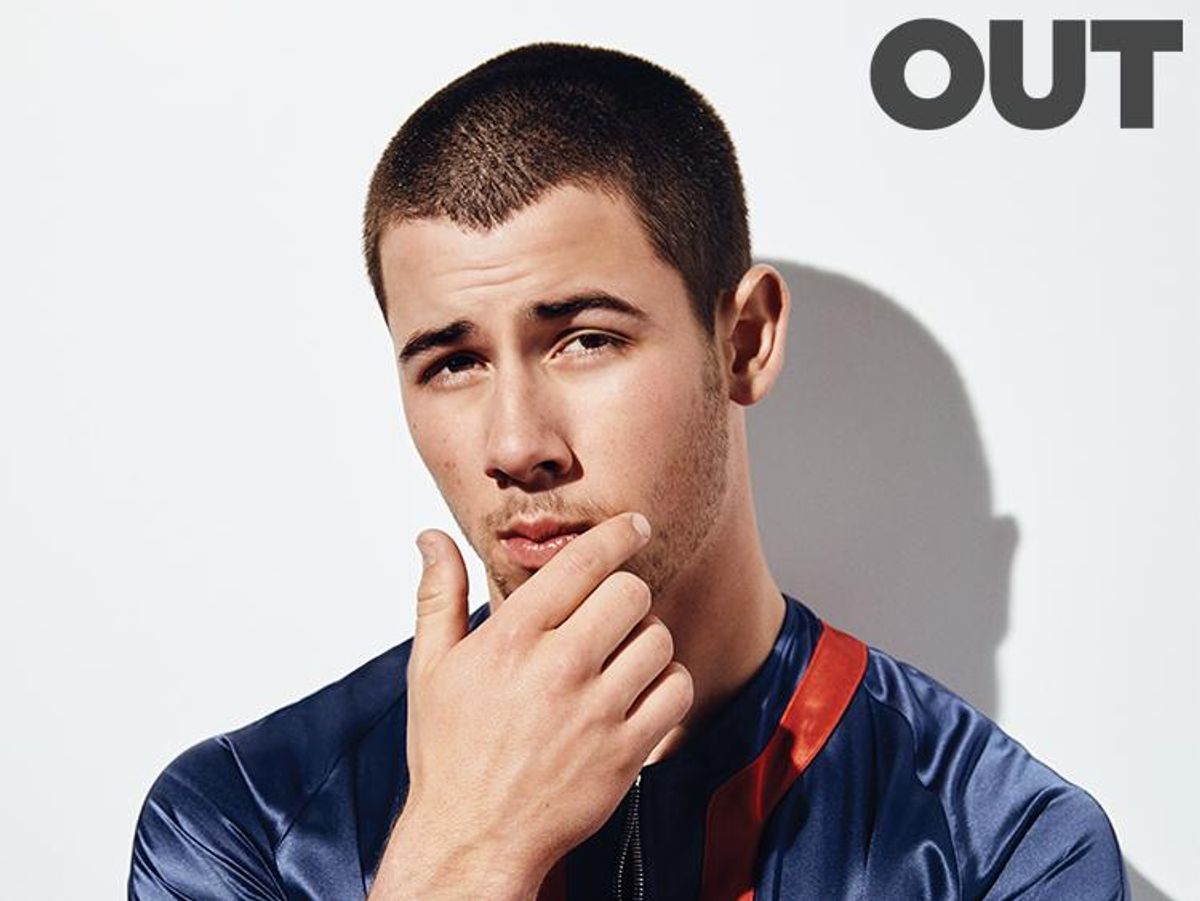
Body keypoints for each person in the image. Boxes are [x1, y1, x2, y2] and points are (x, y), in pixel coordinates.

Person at [128, 43, 1127, 900]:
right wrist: (465, 849)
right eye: (454, 362)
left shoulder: (1001, 848)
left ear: (743, 340)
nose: (516, 444)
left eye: (586, 340)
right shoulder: (243, 823)